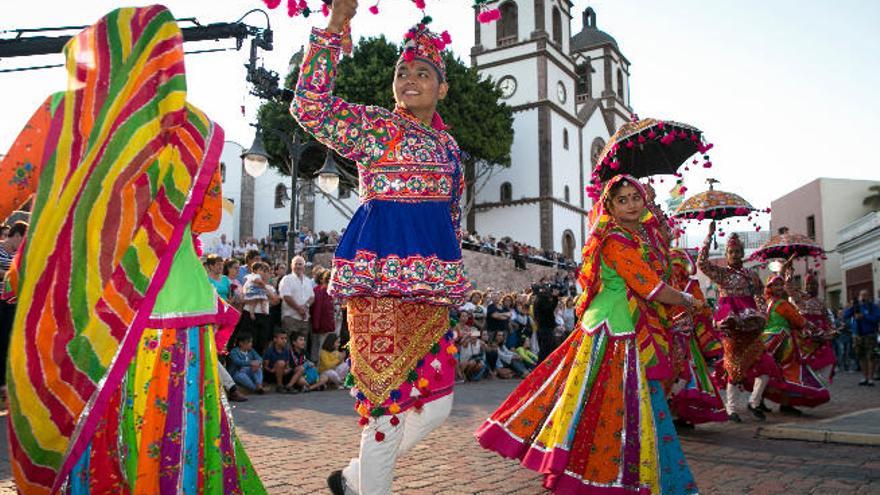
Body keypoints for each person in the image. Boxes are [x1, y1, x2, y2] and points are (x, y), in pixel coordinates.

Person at [0, 7, 264, 492]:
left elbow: (6, 188)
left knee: (89, 419)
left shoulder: (63, 112)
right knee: (171, 430)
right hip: (175, 302)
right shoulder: (192, 130)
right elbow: (205, 217)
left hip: (87, 305)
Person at [292, 2, 470, 493]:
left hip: (432, 287)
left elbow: (450, 219)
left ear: (443, 88)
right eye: (402, 72)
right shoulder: (378, 128)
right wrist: (331, 31)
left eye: (422, 72)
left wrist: (456, 283)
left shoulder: (452, 150)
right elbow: (310, 107)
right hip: (379, 281)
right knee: (386, 407)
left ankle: (352, 478)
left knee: (437, 405)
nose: (409, 79)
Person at [476, 175, 701, 494]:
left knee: (610, 399)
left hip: (619, 323)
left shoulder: (630, 236)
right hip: (614, 328)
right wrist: (687, 299)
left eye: (635, 197)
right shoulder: (616, 240)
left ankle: (642, 475)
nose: (631, 204)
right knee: (612, 402)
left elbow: (655, 272)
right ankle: (614, 475)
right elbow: (648, 285)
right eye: (622, 200)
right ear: (609, 206)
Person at [698, 225, 777, 422]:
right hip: (731, 326)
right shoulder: (722, 274)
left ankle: (754, 402)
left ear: (743, 253)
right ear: (726, 254)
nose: (734, 254)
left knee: (766, 366)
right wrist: (709, 236)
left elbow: (759, 296)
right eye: (731, 251)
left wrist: (762, 315)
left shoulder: (751, 276)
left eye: (738, 251)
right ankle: (731, 408)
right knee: (734, 370)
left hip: (751, 326)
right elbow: (701, 263)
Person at [666, 248, 728, 428]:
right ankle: (670, 411)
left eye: (679, 266)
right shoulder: (664, 286)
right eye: (673, 267)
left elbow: (702, 309)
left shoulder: (692, 286)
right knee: (677, 374)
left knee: (689, 374)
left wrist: (702, 315)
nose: (677, 271)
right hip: (669, 337)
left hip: (688, 339)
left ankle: (681, 415)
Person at [760, 275, 830, 413]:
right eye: (776, 285)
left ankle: (759, 401)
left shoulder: (768, 302)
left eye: (781, 285)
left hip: (767, 341)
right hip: (783, 342)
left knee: (769, 371)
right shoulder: (782, 304)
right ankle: (785, 404)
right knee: (788, 372)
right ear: (770, 288)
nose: (780, 288)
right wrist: (816, 329)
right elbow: (799, 320)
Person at [0, 221, 27, 399]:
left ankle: (3, 383)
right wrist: (9, 274)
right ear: (16, 235)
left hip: (11, 304)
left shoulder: (19, 255)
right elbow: (14, 274)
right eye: (23, 239)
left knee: (6, 341)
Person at [241, 261, 281, 354]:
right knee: (249, 341)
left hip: (264, 316)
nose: (265, 274)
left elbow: (275, 301)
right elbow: (243, 299)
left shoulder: (270, 287)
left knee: (262, 342)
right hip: (249, 315)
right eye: (262, 271)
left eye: (267, 271)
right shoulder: (249, 282)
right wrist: (256, 297)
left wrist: (266, 293)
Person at [279, 255, 315, 356]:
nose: (298, 266)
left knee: (303, 346)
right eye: (296, 264)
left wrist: (305, 307)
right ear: (291, 266)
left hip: (304, 319)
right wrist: (299, 309)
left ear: (304, 267)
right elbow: (286, 296)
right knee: (288, 345)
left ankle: (301, 365)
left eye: (300, 264)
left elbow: (312, 297)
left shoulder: (308, 280)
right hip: (291, 318)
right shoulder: (287, 279)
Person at [843, 289, 879, 385]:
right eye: (862, 295)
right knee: (861, 356)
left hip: (870, 335)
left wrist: (864, 316)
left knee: (871, 356)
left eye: (865, 295)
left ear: (869, 296)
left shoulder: (873, 307)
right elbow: (845, 315)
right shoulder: (856, 306)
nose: (863, 297)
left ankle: (871, 378)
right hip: (857, 335)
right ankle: (865, 377)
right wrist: (852, 307)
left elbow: (876, 318)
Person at [310, 269, 336, 356]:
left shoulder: (329, 291)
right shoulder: (319, 291)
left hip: (328, 325)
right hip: (321, 326)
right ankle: (316, 367)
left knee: (326, 348)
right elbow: (317, 309)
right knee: (318, 348)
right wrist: (316, 326)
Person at [533, 283, 560, 362]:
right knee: (545, 351)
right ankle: (540, 368)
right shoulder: (541, 299)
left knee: (548, 349)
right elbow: (549, 309)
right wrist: (555, 297)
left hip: (544, 328)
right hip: (545, 328)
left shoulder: (539, 299)